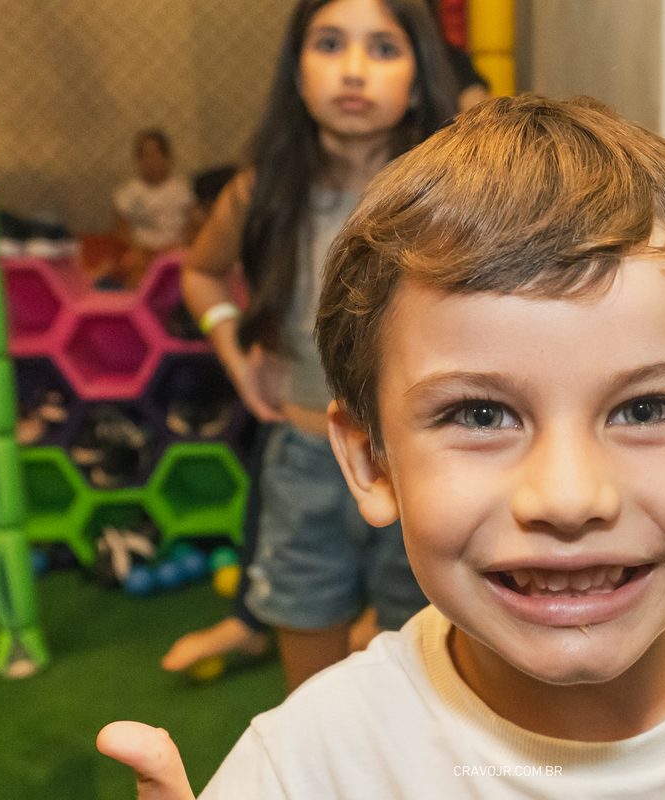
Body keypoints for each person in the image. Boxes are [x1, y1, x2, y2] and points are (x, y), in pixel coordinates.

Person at [100, 95, 665, 799]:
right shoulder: (310, 769)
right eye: (481, 416)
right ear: (370, 462)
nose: (568, 497)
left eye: (647, 408)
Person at [162, 0, 460, 691]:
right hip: (302, 460)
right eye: (329, 44)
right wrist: (233, 349)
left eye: (383, 48)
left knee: (428, 666)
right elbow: (201, 273)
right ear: (297, 74)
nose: (354, 69)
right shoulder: (261, 190)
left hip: (424, 467)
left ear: (419, 80)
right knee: (310, 678)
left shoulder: (446, 194)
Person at [103, 128, 194, 289]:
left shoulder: (182, 191)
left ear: (166, 157)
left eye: (154, 155)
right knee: (133, 267)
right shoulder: (128, 193)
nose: (150, 162)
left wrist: (176, 245)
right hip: (142, 253)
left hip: (175, 250)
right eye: (145, 156)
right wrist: (138, 247)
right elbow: (120, 230)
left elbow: (192, 227)